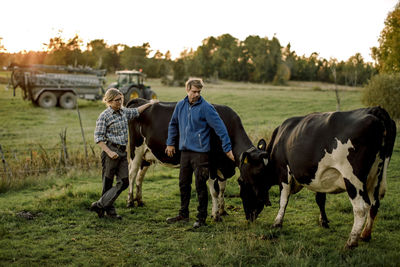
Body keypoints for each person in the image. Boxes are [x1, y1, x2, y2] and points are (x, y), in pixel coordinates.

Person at [165, 78, 235, 228]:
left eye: (199, 92)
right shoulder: (180, 105)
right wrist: (170, 143)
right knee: (183, 184)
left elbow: (221, 128)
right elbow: (173, 124)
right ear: (187, 90)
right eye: (194, 91)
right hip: (184, 152)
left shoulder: (206, 108)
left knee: (200, 186)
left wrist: (227, 148)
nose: (196, 94)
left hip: (201, 154)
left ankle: (201, 219)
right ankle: (183, 215)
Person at [90, 88, 158, 219]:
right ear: (109, 101)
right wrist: (109, 152)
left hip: (122, 152)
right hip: (110, 150)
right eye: (117, 100)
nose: (120, 102)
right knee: (108, 183)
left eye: (121, 99)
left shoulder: (123, 112)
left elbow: (136, 111)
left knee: (125, 181)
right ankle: (110, 212)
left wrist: (150, 103)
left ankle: (99, 204)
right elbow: (98, 138)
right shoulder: (104, 116)